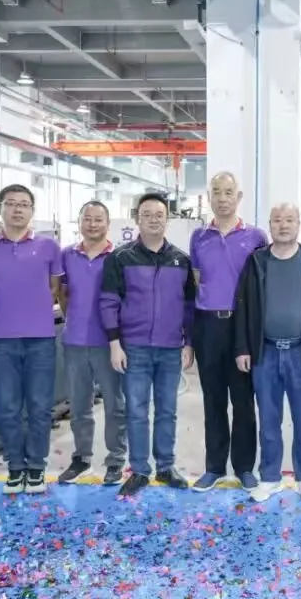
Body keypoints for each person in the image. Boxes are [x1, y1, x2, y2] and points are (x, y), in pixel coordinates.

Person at [233, 203, 301, 504]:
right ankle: (270, 478)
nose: (283, 225)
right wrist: (243, 347)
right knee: (269, 421)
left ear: (299, 224)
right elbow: (243, 306)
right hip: (264, 354)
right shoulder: (256, 262)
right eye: (277, 220)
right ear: (270, 224)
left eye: (289, 220)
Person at [101, 192, 195, 497]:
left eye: (160, 214)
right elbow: (109, 302)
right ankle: (140, 469)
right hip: (135, 348)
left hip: (170, 349)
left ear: (167, 219)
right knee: (137, 411)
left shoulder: (180, 259)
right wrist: (115, 343)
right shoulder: (121, 257)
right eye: (147, 214)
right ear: (136, 218)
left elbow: (190, 306)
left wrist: (188, 343)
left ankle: (166, 466)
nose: (154, 219)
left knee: (167, 410)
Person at [0, 185, 63, 495]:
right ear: (0, 209)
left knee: (39, 407)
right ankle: (15, 468)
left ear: (32, 211)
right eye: (11, 204)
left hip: (40, 339)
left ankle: (36, 467)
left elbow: (54, 288)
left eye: (24, 204)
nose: (17, 210)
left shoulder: (48, 247)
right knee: (8, 407)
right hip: (1, 341)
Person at [189, 172, 268, 493]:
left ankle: (245, 467)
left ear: (239, 196)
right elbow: (196, 281)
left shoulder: (256, 236)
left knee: (244, 401)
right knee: (213, 400)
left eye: (228, 192)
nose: (223, 198)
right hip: (208, 325)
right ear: (209, 197)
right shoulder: (199, 237)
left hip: (242, 326)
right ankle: (214, 466)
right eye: (217, 192)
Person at [57, 200, 127, 486]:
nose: (93, 224)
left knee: (114, 405)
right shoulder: (66, 256)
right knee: (80, 406)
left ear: (107, 224)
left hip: (109, 343)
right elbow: (62, 294)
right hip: (74, 342)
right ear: (79, 222)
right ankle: (82, 458)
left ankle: (116, 459)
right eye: (87, 219)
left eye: (98, 219)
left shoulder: (120, 257)